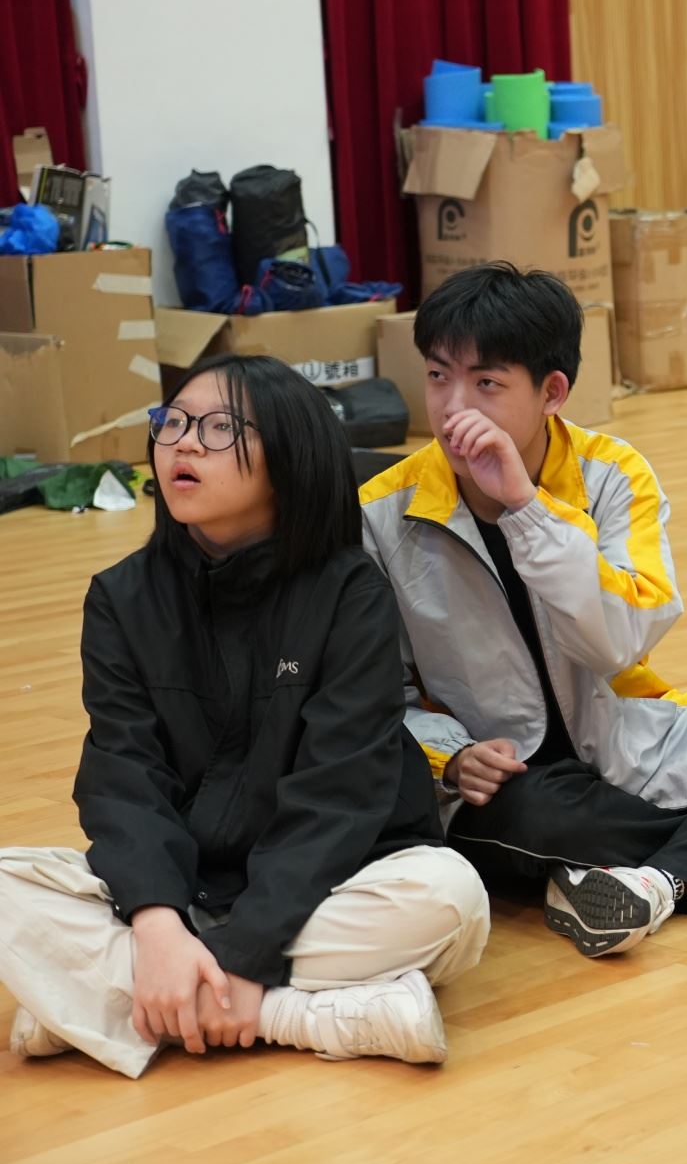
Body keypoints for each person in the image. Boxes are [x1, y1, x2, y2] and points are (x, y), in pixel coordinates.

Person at [360, 263, 687, 960]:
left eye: (486, 383)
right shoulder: (380, 513)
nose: (454, 409)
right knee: (550, 823)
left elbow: (619, 642)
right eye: (437, 376)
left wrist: (527, 509)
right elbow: (374, 694)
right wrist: (449, 757)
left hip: (627, 743)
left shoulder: (613, 474)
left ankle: (656, 879)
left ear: (552, 392)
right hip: (512, 782)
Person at [0, 355, 488, 1078]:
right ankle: (295, 1016)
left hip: (331, 881)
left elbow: (338, 797)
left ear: (290, 460)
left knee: (451, 898)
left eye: (219, 429)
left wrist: (250, 948)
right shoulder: (122, 597)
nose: (183, 443)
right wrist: (158, 923)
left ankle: (111, 1001)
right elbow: (123, 776)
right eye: (173, 422)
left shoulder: (349, 593)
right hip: (188, 887)